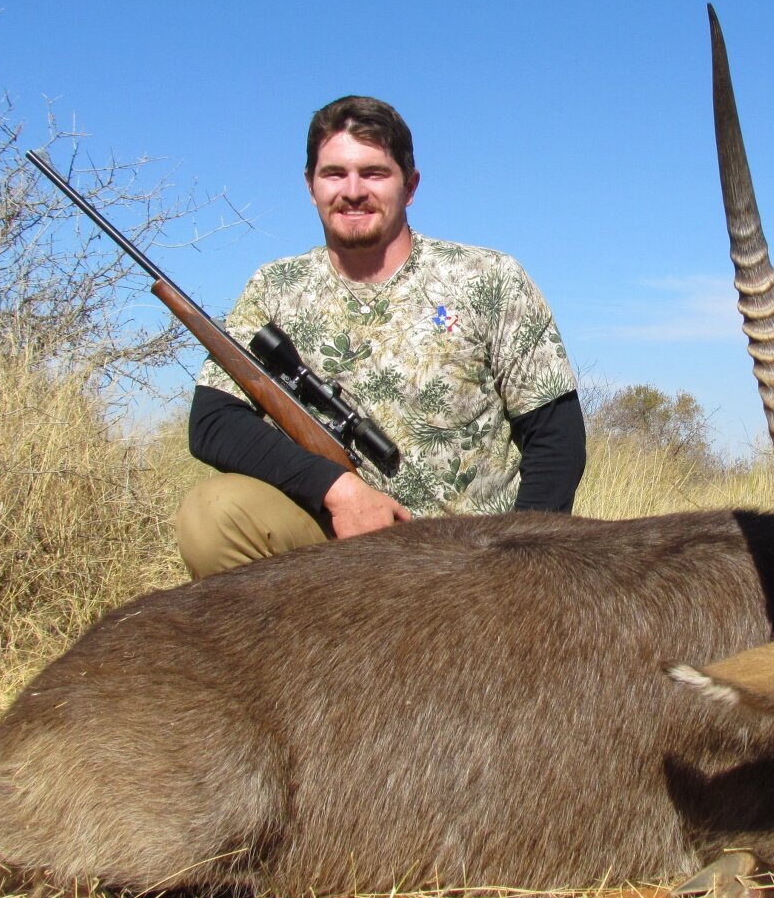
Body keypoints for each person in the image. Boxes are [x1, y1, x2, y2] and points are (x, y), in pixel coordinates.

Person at [176, 95, 585, 578]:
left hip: (471, 566)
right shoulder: (274, 289)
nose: (352, 191)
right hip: (334, 552)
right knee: (213, 515)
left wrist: (515, 567)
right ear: (310, 186)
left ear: (410, 186)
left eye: (373, 173)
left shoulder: (489, 277)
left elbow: (557, 438)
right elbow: (213, 421)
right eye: (334, 174)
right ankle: (303, 650)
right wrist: (337, 490)